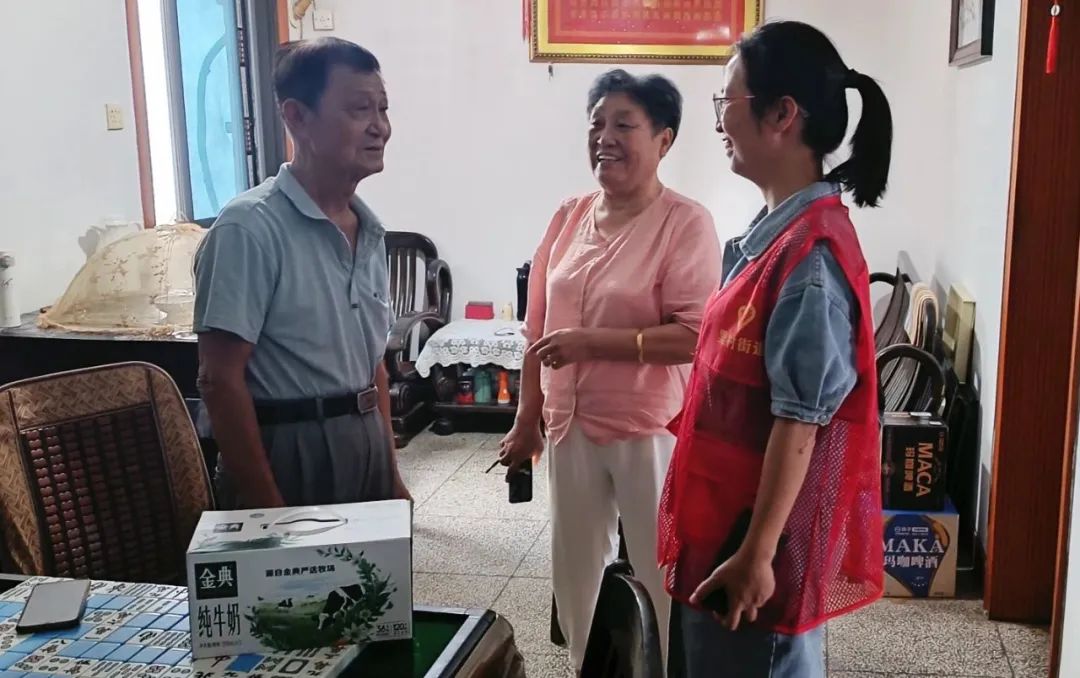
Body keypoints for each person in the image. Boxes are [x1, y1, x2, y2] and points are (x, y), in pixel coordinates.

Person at [657, 21, 893, 677]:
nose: (719, 121)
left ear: (782, 115)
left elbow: (800, 421)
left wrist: (757, 555)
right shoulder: (772, 239)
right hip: (725, 523)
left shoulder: (809, 263)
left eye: (726, 101)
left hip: (754, 547)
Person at [499, 69, 723, 671]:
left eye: (624, 124)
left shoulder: (685, 222)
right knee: (575, 567)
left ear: (664, 140)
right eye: (596, 124)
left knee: (658, 565)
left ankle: (665, 667)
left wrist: (591, 343)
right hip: (567, 422)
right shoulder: (568, 215)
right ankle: (587, 665)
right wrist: (526, 419)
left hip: (647, 427)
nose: (605, 137)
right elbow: (536, 330)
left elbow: (694, 336)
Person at [193, 37, 410, 509]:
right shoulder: (248, 229)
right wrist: (268, 508)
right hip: (287, 452)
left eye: (383, 109)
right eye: (360, 109)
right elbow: (219, 379)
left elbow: (372, 367)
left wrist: (391, 477)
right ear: (297, 117)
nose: (379, 127)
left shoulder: (370, 232)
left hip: (365, 444)